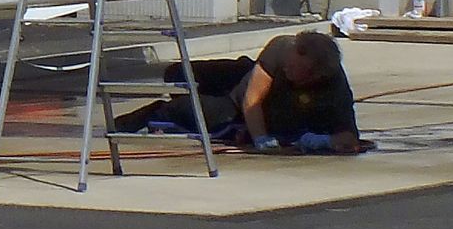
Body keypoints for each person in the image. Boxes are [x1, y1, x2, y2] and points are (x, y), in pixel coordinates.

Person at [114, 30, 367, 154]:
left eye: (296, 70)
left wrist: (323, 141)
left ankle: (153, 113)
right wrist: (262, 140)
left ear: (316, 74)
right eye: (288, 66)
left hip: (233, 109)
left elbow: (349, 137)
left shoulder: (333, 87)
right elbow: (252, 99)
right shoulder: (282, 48)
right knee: (178, 73)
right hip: (245, 83)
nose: (289, 71)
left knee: (201, 114)